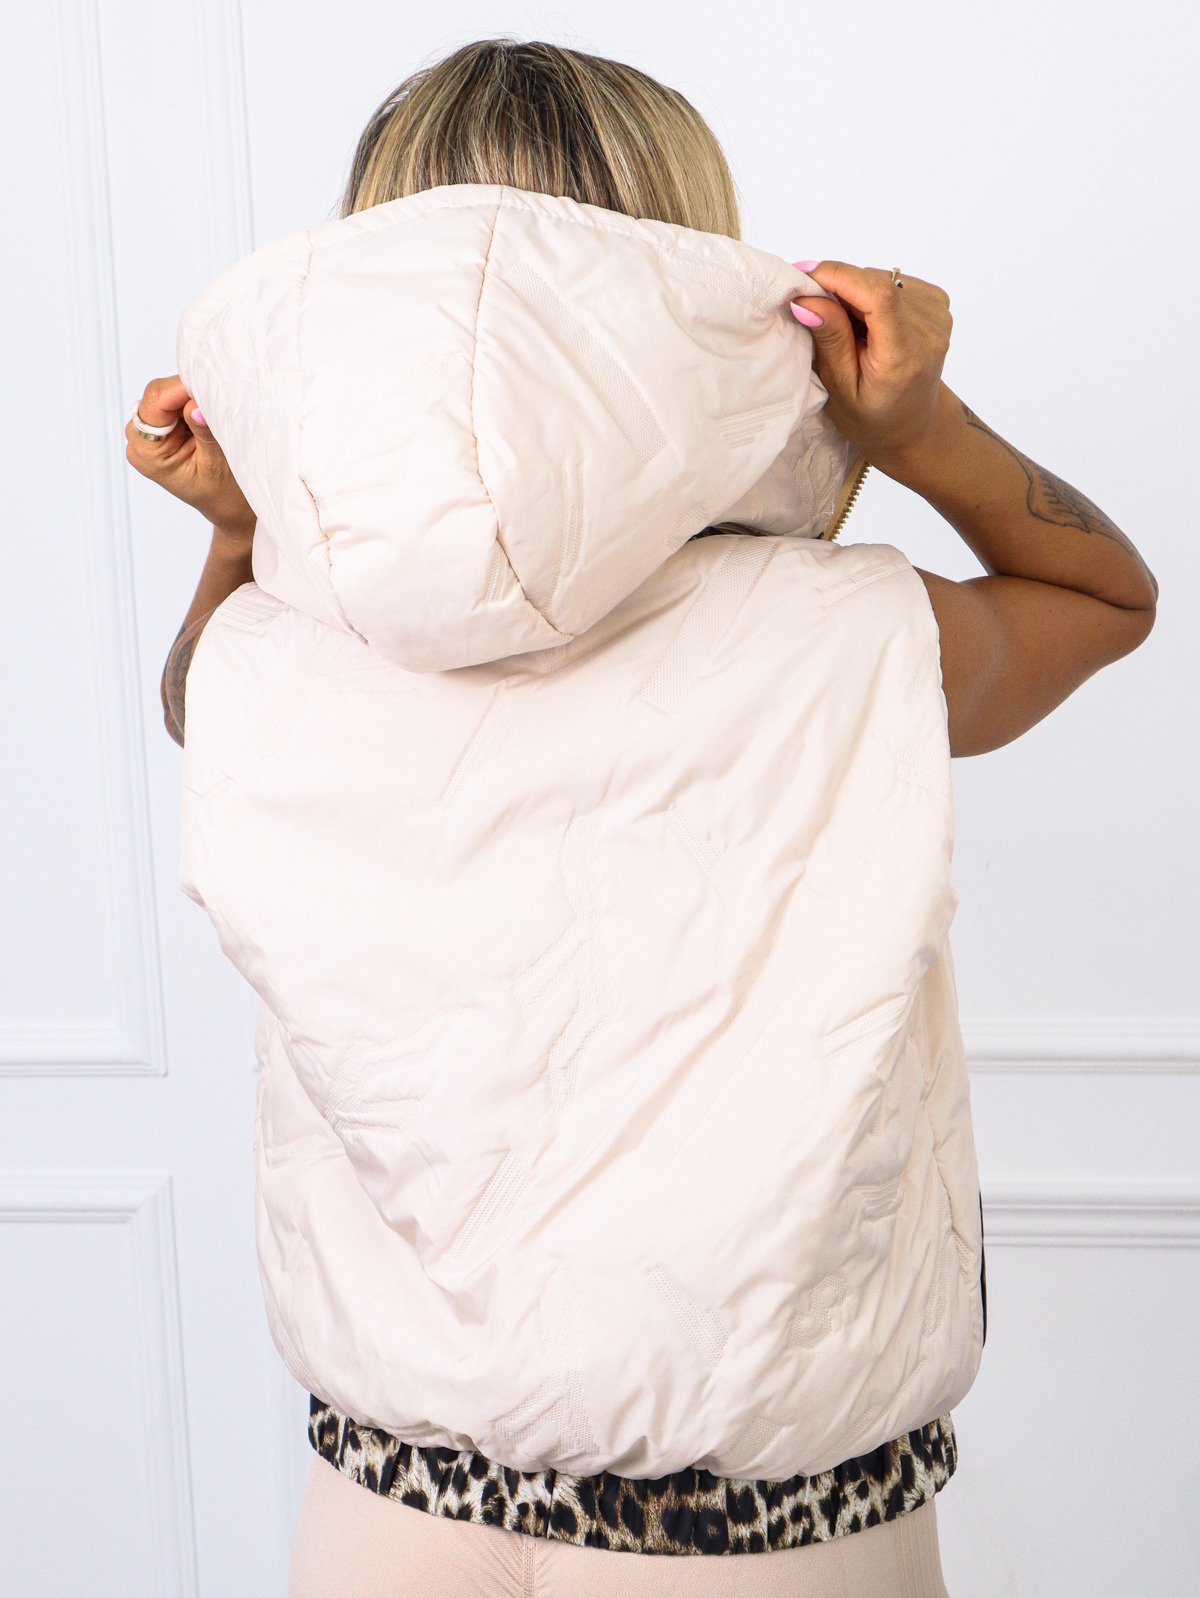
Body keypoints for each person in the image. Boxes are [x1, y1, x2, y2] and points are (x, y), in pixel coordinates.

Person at [126, 39, 1156, 1598]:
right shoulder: (855, 633)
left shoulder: (274, 648)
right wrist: (914, 426)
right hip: (769, 1533)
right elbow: (1103, 594)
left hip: (392, 1509)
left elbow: (196, 704)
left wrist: (239, 532)